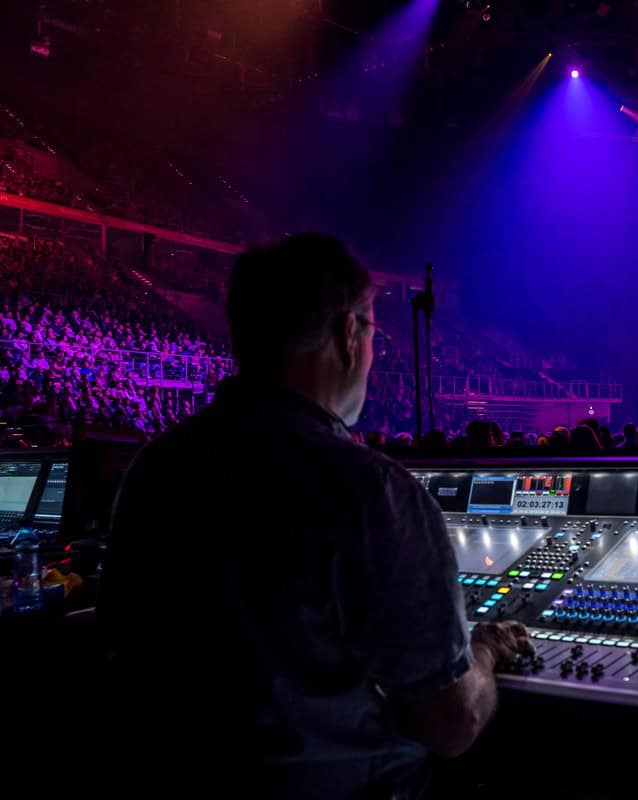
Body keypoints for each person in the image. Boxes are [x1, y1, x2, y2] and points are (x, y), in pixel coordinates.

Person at [98, 234, 532, 799]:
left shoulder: (153, 468)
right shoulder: (372, 490)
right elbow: (451, 724)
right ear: (349, 335)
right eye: (374, 334)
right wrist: (486, 647)